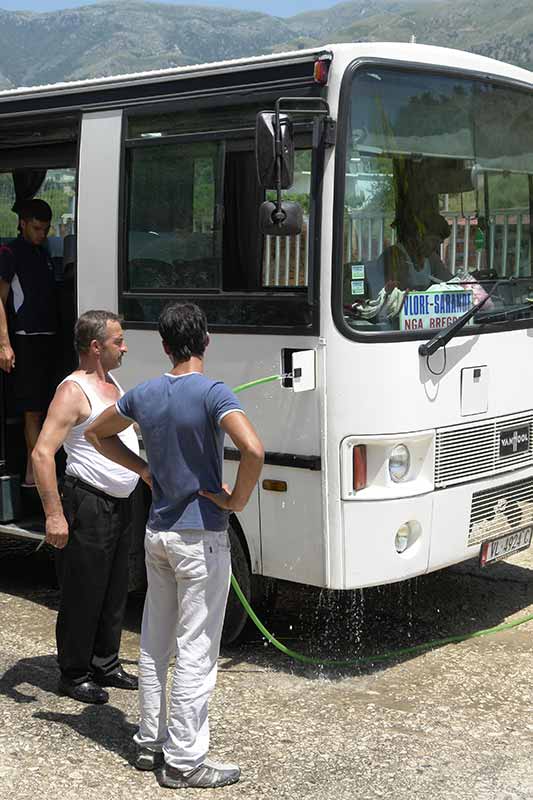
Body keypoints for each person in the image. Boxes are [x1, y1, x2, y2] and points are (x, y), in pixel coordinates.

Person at [85, 302, 264, 789]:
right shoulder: (213, 393)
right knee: (196, 651)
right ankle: (186, 761)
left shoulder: (144, 393)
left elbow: (96, 432)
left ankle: (148, 741)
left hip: (157, 534)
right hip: (200, 536)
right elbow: (253, 448)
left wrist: (141, 468)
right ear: (205, 341)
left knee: (154, 641)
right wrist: (235, 500)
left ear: (164, 345)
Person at [31, 310, 141, 705]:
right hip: (88, 502)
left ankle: (105, 663)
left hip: (122, 501)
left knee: (114, 588)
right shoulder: (72, 391)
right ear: (96, 347)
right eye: (118, 341)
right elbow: (43, 453)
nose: (124, 347)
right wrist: (54, 513)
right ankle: (74, 673)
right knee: (84, 592)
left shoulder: (112, 383)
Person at [0, 198, 59, 486]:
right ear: (23, 223)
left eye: (46, 229)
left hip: (49, 337)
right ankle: (33, 474)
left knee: (49, 407)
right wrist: (4, 343)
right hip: (24, 340)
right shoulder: (9, 252)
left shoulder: (43, 252)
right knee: (32, 409)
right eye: (37, 228)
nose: (42, 234)